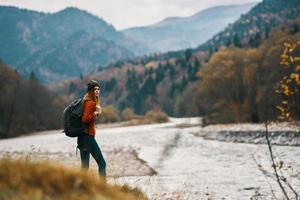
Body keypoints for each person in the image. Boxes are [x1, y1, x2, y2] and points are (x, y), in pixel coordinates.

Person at [77, 80, 106, 181]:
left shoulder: (85, 100)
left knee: (84, 167)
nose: (97, 91)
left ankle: (79, 188)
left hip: (82, 137)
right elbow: (85, 119)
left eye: (98, 89)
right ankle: (104, 189)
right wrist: (96, 113)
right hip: (88, 137)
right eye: (95, 89)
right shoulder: (90, 103)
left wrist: (95, 113)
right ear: (90, 91)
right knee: (102, 163)